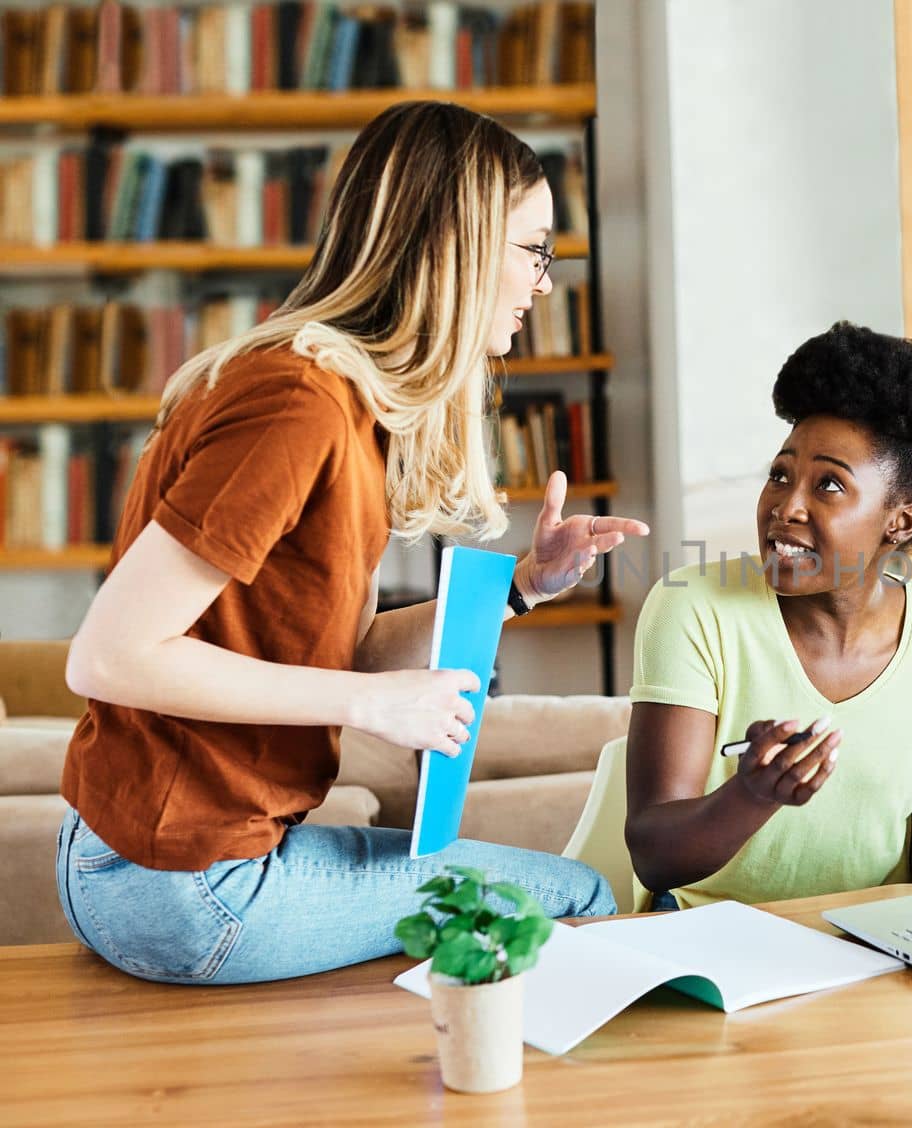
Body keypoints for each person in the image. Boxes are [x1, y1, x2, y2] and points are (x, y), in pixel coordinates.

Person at [56, 101, 650, 985]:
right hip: (186, 884)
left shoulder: (345, 408)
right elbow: (109, 657)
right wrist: (373, 708)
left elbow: (351, 653)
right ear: (454, 246)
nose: (544, 283)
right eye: (534, 249)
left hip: (173, 865)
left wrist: (524, 586)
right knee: (577, 896)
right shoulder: (296, 403)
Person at [620, 322, 912, 910]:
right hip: (706, 929)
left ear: (900, 522)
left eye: (828, 485)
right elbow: (654, 855)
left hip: (866, 939)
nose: (786, 505)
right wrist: (751, 794)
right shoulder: (695, 607)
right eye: (780, 474)